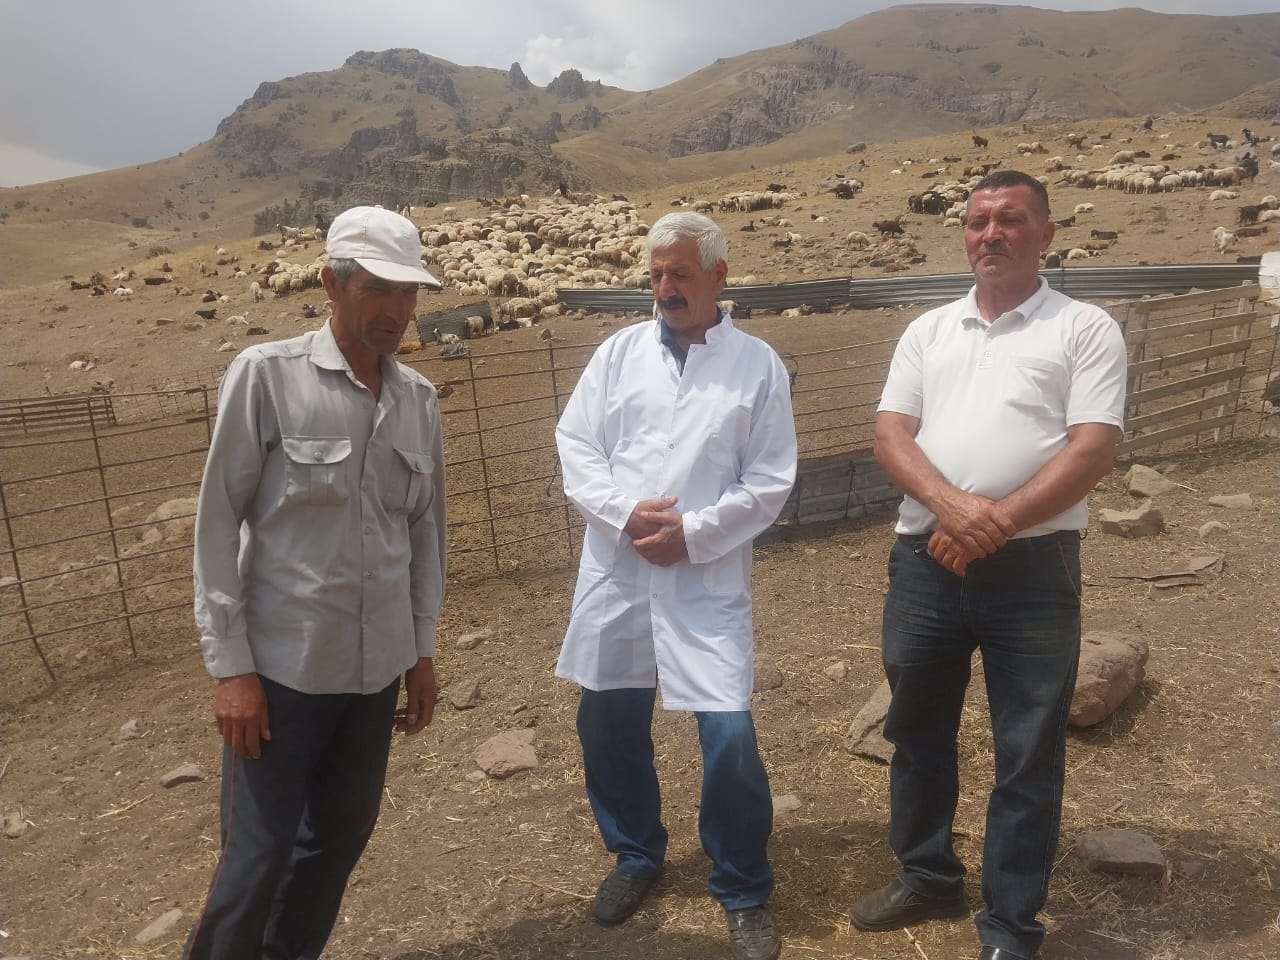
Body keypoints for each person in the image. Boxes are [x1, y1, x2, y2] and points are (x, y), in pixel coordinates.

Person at [850, 171, 1127, 960]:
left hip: (1034, 570)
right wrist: (955, 510)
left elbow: (1092, 449)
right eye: (978, 222)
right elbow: (891, 435)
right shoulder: (929, 331)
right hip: (926, 564)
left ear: (1046, 233)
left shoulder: (1084, 328)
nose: (991, 234)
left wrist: (992, 523)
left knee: (1028, 748)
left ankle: (1010, 923)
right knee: (916, 729)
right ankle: (928, 874)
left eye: (1010, 219)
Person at [184, 205, 447, 960]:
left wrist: (420, 652)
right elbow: (216, 524)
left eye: (409, 291)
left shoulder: (418, 401)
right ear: (332, 283)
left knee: (336, 841)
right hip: (283, 674)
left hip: (373, 675)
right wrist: (232, 669)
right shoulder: (267, 378)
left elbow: (425, 535)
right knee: (256, 858)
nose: (397, 309)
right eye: (378, 288)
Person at [554, 212, 797, 960]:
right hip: (620, 571)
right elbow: (576, 444)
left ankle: (742, 886)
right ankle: (636, 853)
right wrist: (625, 514)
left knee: (728, 734)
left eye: (680, 274)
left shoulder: (757, 366)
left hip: (704, 578)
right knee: (607, 723)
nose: (665, 287)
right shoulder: (617, 355)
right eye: (656, 274)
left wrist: (693, 533)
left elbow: (770, 480)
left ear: (718, 276)